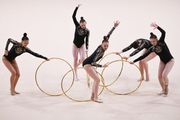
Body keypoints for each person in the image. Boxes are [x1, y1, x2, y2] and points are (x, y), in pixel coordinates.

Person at [129, 23, 174, 96]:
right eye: (151, 42)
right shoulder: (152, 48)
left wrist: (157, 27)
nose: (153, 43)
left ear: (157, 40)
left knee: (164, 75)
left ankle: (166, 89)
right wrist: (134, 61)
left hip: (170, 61)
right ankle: (163, 90)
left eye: (154, 41)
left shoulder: (161, 42)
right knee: (159, 77)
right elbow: (143, 56)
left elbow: (164, 32)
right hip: (162, 61)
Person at [83, 21, 120, 103]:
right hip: (88, 64)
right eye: (105, 46)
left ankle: (93, 96)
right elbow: (92, 62)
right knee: (97, 80)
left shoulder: (103, 44)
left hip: (90, 64)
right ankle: (96, 97)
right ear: (101, 44)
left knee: (96, 80)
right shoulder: (100, 50)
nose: (106, 47)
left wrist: (114, 27)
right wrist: (101, 66)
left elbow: (108, 36)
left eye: (107, 46)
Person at [72, 4, 90, 80]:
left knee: (83, 59)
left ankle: (76, 66)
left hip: (82, 45)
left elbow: (87, 40)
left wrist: (86, 48)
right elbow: (73, 17)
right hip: (75, 45)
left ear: (86, 24)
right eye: (82, 25)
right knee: (75, 59)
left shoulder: (87, 31)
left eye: (84, 25)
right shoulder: (77, 26)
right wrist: (76, 8)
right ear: (80, 24)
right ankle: (75, 74)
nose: (83, 26)